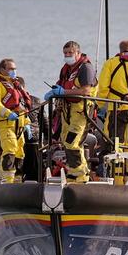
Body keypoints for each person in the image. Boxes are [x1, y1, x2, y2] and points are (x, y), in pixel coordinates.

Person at [43, 41, 96, 184]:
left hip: (81, 111)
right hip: (67, 111)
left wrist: (63, 92)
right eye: (65, 53)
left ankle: (81, 175)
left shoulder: (86, 68)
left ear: (78, 53)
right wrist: (55, 91)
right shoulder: (66, 69)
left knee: (72, 142)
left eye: (70, 53)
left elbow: (86, 90)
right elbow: (61, 82)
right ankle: (74, 173)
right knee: (66, 141)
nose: (67, 56)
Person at [0, 58, 32, 184]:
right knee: (9, 150)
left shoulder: (15, 84)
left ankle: (17, 179)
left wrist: (26, 122)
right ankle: (7, 180)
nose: (14, 71)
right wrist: (7, 113)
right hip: (4, 125)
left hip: (19, 126)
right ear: (2, 70)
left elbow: (21, 105)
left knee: (19, 152)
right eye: (11, 69)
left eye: (15, 69)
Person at [17, 76, 46, 182]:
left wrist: (49, 137)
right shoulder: (9, 101)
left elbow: (44, 122)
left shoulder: (34, 101)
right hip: (23, 139)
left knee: (30, 171)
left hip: (30, 140)